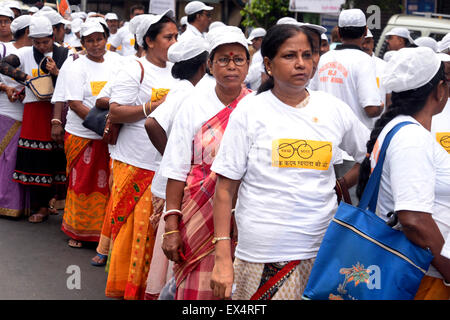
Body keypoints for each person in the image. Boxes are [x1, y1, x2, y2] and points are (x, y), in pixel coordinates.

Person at [209, 23, 370, 300]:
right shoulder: (251, 111)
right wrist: (222, 257)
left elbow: (369, 155)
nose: (301, 64)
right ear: (269, 64)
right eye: (289, 56)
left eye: (307, 55)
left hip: (324, 250)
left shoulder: (332, 109)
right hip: (264, 253)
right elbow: (225, 189)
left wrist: (342, 183)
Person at [159, 25, 251, 300]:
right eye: (223, 59)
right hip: (197, 211)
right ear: (209, 64)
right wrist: (172, 227)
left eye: (238, 59)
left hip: (246, 218)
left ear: (248, 64)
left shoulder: (257, 106)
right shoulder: (193, 104)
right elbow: (175, 169)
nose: (231, 66)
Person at [357, 47, 450, 300]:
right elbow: (414, 219)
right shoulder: (412, 137)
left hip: (418, 271)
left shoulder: (399, 127)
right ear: (440, 89)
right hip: (424, 276)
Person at [105, 11, 178, 300]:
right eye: (168, 37)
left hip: (164, 160)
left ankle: (150, 289)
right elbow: (115, 110)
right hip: (134, 160)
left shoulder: (178, 69)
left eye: (176, 36)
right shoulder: (135, 68)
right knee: (133, 230)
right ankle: (127, 288)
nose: (174, 42)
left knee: (155, 232)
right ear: (148, 40)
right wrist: (153, 106)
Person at [143, 36, 209, 300]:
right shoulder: (187, 93)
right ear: (204, 65)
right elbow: (151, 123)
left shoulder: (184, 89)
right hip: (175, 184)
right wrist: (173, 155)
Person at [0, 15, 69, 223]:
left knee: (54, 158)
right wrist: (25, 78)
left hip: (55, 111)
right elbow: (3, 66)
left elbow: (71, 84)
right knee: (34, 160)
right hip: (32, 112)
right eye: (36, 42)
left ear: (53, 36)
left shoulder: (64, 54)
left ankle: (51, 203)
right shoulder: (23, 53)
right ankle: (39, 205)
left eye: (45, 42)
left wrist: (57, 73)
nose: (41, 46)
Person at [61, 21, 121, 249]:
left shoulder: (118, 63)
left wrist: (111, 127)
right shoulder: (76, 67)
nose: (96, 44)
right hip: (83, 134)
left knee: (107, 184)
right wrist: (103, 125)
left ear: (106, 38)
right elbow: (75, 103)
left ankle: (103, 235)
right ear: (83, 43)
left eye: (99, 39)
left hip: (110, 135)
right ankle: (78, 231)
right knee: (82, 183)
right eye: (90, 40)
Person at [0, 15, 32, 218]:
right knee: (8, 158)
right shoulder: (5, 50)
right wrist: (5, 87)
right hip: (7, 110)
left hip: (27, 111)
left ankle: (18, 203)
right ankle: (6, 202)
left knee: (18, 158)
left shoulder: (33, 52)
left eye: (6, 21)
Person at [362, 29, 389, 108]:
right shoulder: (350, 64)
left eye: (368, 42)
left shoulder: (384, 67)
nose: (365, 46)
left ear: (373, 43)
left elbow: (388, 100)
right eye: (362, 43)